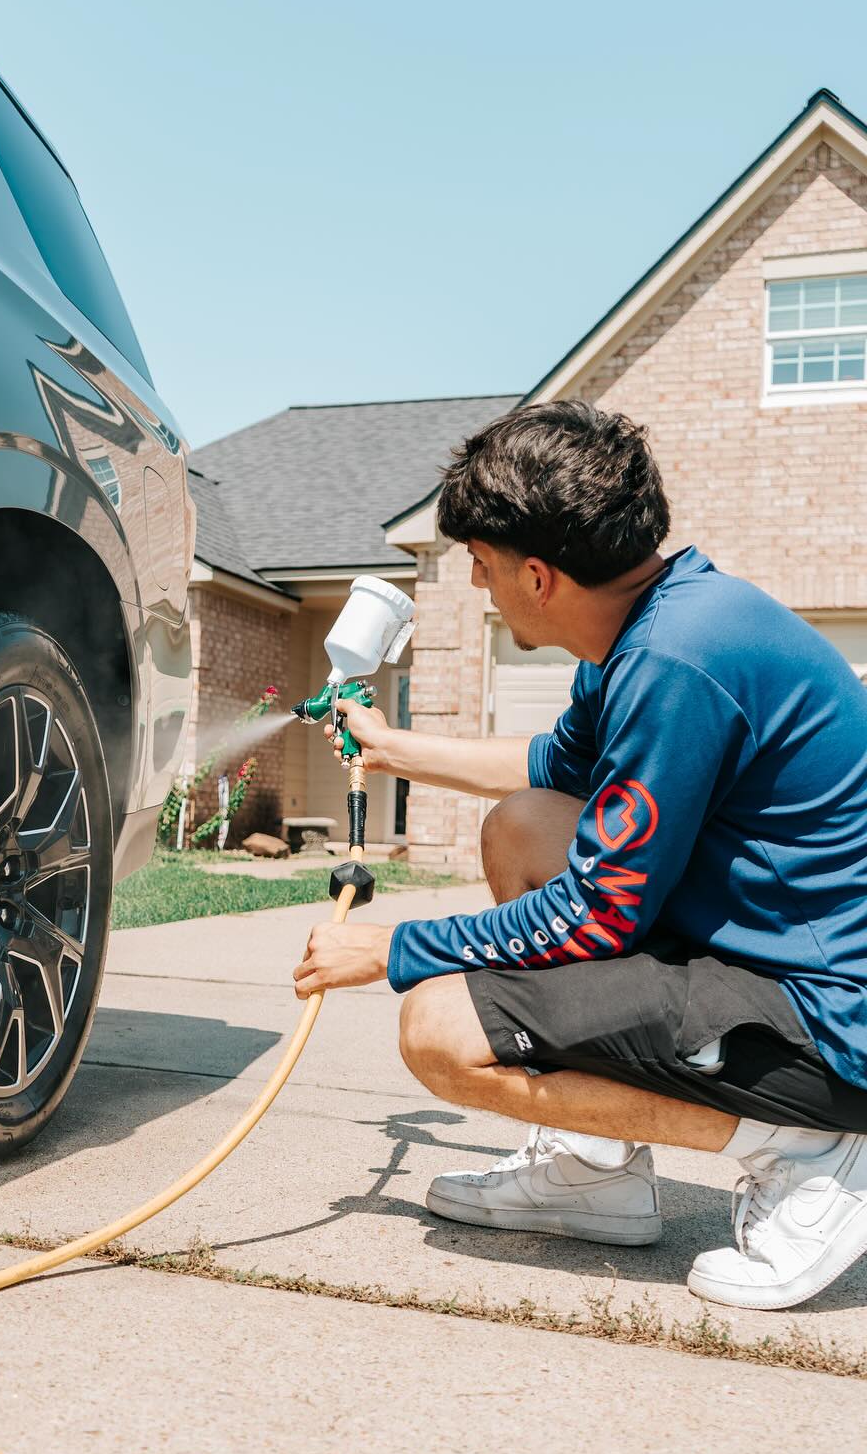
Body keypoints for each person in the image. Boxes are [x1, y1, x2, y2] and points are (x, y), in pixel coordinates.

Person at [293, 400, 867, 1311]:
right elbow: (546, 771)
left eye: (480, 568)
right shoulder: (651, 623)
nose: (479, 588)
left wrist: (392, 948)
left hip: (828, 1016)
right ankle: (590, 1170)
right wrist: (390, 746)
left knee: (439, 1030)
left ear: (537, 574)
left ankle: (811, 1151)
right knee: (524, 822)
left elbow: (596, 914)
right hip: (755, 944)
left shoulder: (675, 660)